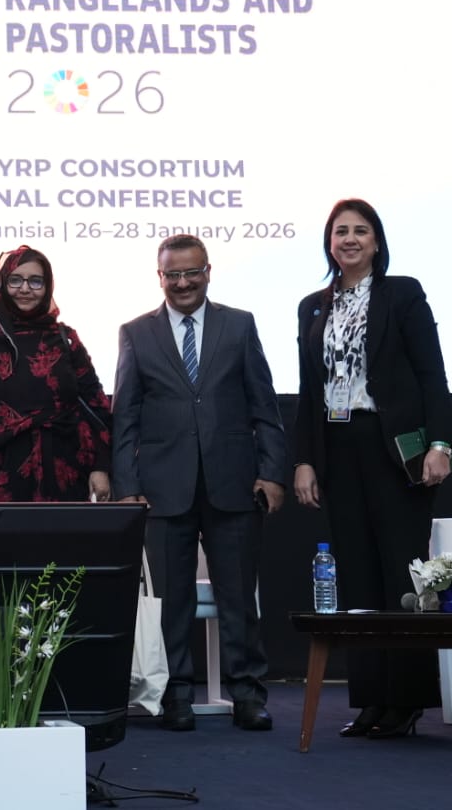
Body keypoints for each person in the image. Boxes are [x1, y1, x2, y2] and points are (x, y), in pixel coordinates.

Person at [291, 198, 452, 740]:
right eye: (340, 231)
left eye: (361, 230)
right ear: (329, 243)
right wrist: (305, 459)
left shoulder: (401, 294)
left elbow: (432, 375)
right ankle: (369, 700)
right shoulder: (312, 307)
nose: (350, 239)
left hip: (395, 449)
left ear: (377, 242)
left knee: (401, 574)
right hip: (337, 448)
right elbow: (309, 392)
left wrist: (440, 444)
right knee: (357, 575)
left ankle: (405, 700)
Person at [111, 234, 287, 733]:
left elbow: (264, 405)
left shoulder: (239, 324)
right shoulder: (135, 333)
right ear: (160, 277)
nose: (183, 282)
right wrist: (126, 487)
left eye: (192, 272)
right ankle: (175, 695)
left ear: (208, 271)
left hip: (234, 483)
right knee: (170, 602)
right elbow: (124, 418)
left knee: (239, 597)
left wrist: (272, 472)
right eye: (173, 274)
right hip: (162, 490)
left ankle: (247, 694)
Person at [0, 245, 113, 502]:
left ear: (48, 286)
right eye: (15, 280)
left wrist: (100, 466)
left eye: (36, 281)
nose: (25, 289)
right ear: (2, 284)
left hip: (62, 481)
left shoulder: (65, 339)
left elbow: (96, 406)